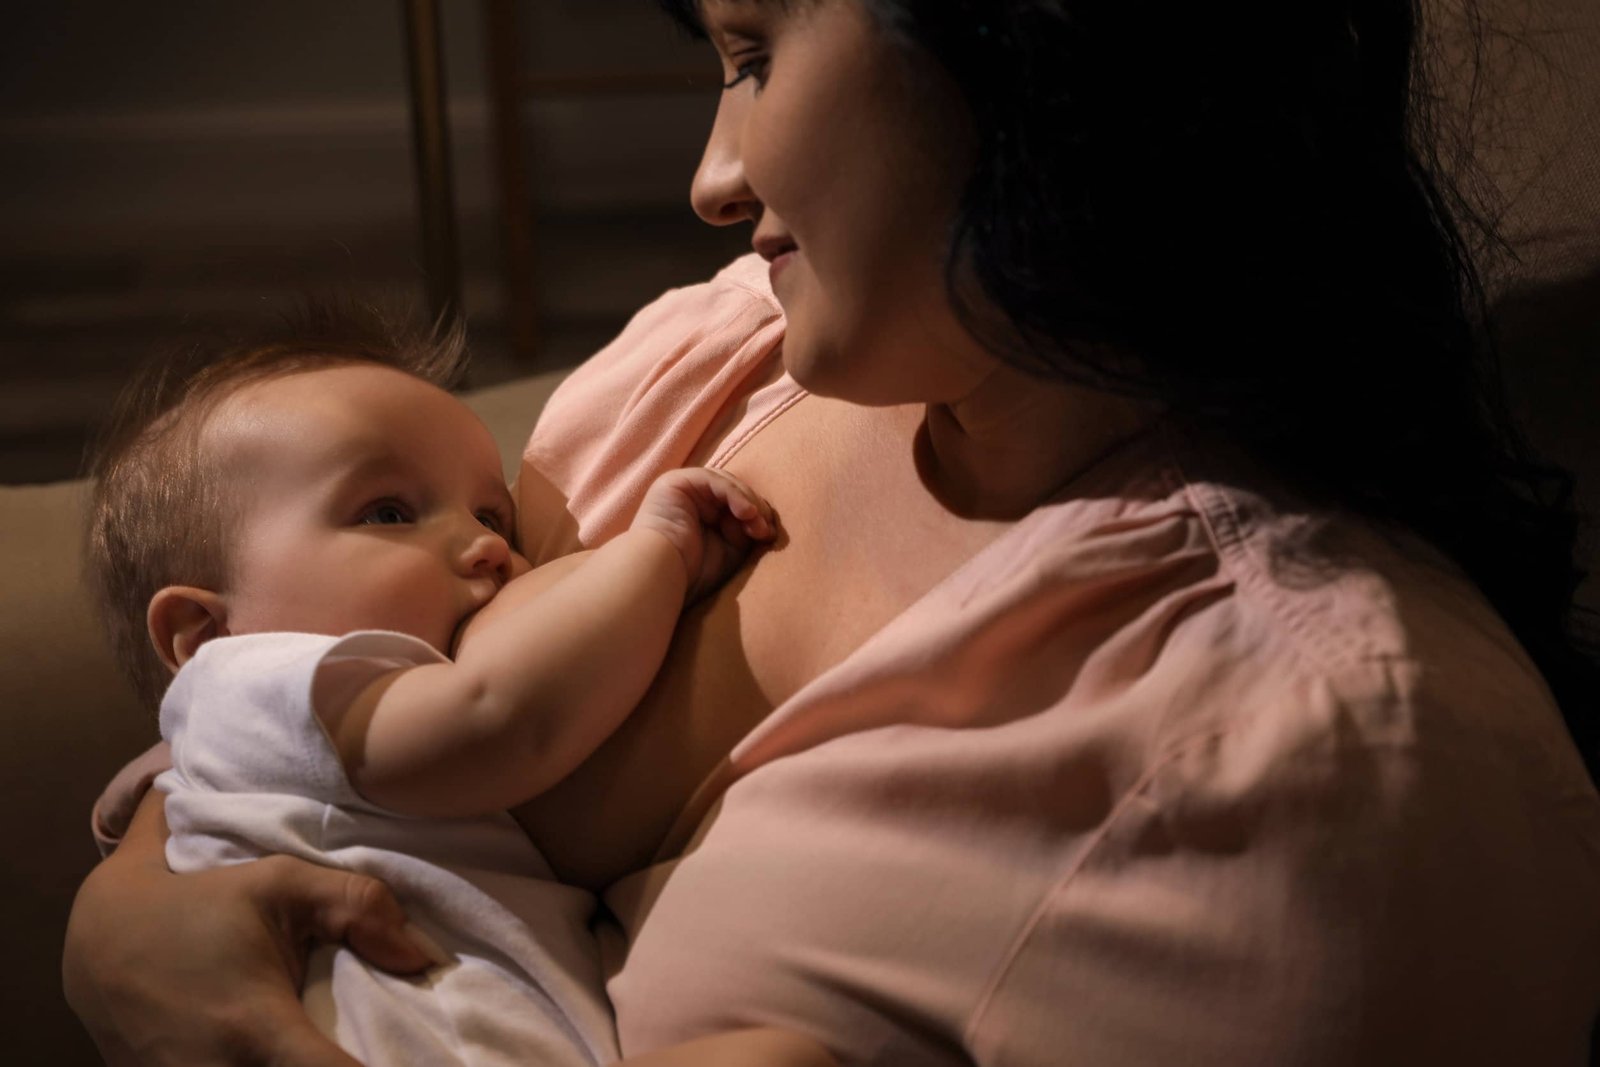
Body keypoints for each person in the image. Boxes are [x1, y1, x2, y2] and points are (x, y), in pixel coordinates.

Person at [65, 0, 1600, 1064]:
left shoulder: (1306, 748)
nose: (711, 175)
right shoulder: (734, 349)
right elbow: (295, 683)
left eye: (754, 53)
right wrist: (130, 925)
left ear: (1024, 50)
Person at [81, 314, 833, 1067]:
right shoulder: (253, 680)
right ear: (203, 634)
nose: (489, 547)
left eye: (491, 513)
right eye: (388, 513)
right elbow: (497, 716)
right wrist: (660, 554)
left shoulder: (248, 742)